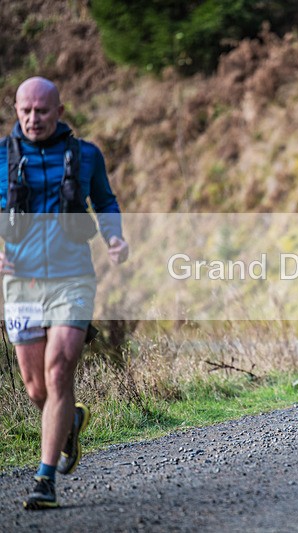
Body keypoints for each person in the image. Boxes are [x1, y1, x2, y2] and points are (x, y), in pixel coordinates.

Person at [0, 77, 129, 510]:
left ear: (59, 111)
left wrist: (114, 237)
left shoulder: (86, 155)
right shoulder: (1, 156)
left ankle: (45, 478)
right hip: (21, 282)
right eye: (26, 111)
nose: (34, 119)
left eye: (42, 111)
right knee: (36, 388)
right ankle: (70, 419)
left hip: (73, 278)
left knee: (58, 373)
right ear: (16, 110)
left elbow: (105, 202)